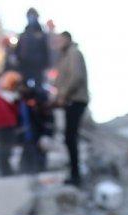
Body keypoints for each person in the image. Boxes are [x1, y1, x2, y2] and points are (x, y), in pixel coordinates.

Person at [54, 31, 89, 187]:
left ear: (67, 39)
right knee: (69, 137)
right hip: (70, 100)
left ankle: (76, 175)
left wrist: (64, 94)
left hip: (75, 100)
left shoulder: (73, 54)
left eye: (60, 40)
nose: (57, 44)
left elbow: (76, 77)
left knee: (70, 137)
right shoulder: (65, 56)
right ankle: (74, 173)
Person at [8, 71, 53, 174]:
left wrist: (47, 132)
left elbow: (47, 116)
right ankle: (28, 170)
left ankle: (38, 171)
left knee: (38, 153)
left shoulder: (39, 98)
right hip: (28, 133)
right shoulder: (20, 101)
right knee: (28, 152)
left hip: (37, 131)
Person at [15, 8, 51, 87]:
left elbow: (46, 51)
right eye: (29, 15)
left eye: (33, 15)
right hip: (24, 67)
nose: (31, 18)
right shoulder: (24, 34)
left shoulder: (42, 34)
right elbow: (18, 50)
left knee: (37, 89)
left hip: (37, 68)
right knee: (24, 88)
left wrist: (45, 66)